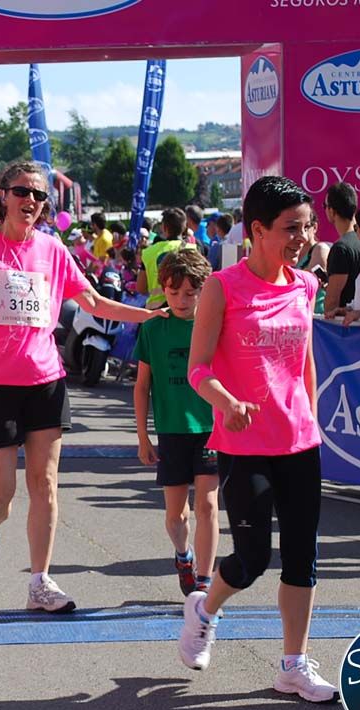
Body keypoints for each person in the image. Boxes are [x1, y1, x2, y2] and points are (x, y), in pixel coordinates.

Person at [0, 161, 162, 613]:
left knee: (46, 485)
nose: (30, 202)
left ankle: (40, 581)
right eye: (21, 192)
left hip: (45, 381)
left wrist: (147, 316)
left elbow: (91, 300)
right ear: (2, 197)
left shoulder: (52, 250)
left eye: (38, 196)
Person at [179, 175, 337, 703]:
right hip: (243, 445)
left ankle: (293, 664)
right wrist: (226, 403)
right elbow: (197, 369)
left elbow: (306, 361)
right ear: (257, 230)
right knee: (250, 560)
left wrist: (310, 420)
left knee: (302, 557)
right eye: (292, 228)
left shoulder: (306, 285)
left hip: (299, 442)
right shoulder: (224, 286)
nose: (303, 236)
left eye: (308, 225)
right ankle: (204, 609)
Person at [134, 249, 219, 596]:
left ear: (203, 291)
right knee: (176, 515)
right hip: (171, 430)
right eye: (173, 292)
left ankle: (204, 580)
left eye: (190, 292)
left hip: (210, 428)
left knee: (208, 506)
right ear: (163, 290)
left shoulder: (215, 324)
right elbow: (141, 387)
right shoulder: (154, 328)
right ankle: (182, 555)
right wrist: (143, 437)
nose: (182, 300)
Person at [322, 182, 360, 314]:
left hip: (346, 326)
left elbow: (332, 300)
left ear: (332, 211)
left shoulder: (341, 248)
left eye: (325, 206)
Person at [137, 208, 193, 308]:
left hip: (156, 311)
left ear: (164, 227)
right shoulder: (193, 250)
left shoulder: (148, 252)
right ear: (185, 227)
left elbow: (141, 288)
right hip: (185, 309)